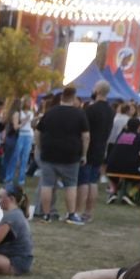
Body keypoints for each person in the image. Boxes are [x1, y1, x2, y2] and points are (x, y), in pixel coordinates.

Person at [34, 86, 89, 223]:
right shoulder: (79, 114)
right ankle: (71, 214)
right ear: (73, 97)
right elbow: (86, 136)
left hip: (49, 154)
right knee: (70, 185)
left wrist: (40, 148)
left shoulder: (50, 112)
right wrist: (84, 154)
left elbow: (37, 132)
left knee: (47, 184)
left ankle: (46, 214)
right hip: (70, 155)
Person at [76, 80, 116, 223]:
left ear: (97, 91)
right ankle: (89, 212)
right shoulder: (111, 111)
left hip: (88, 149)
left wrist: (83, 152)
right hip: (101, 148)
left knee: (83, 182)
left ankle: (78, 211)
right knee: (93, 182)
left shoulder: (90, 109)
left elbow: (84, 131)